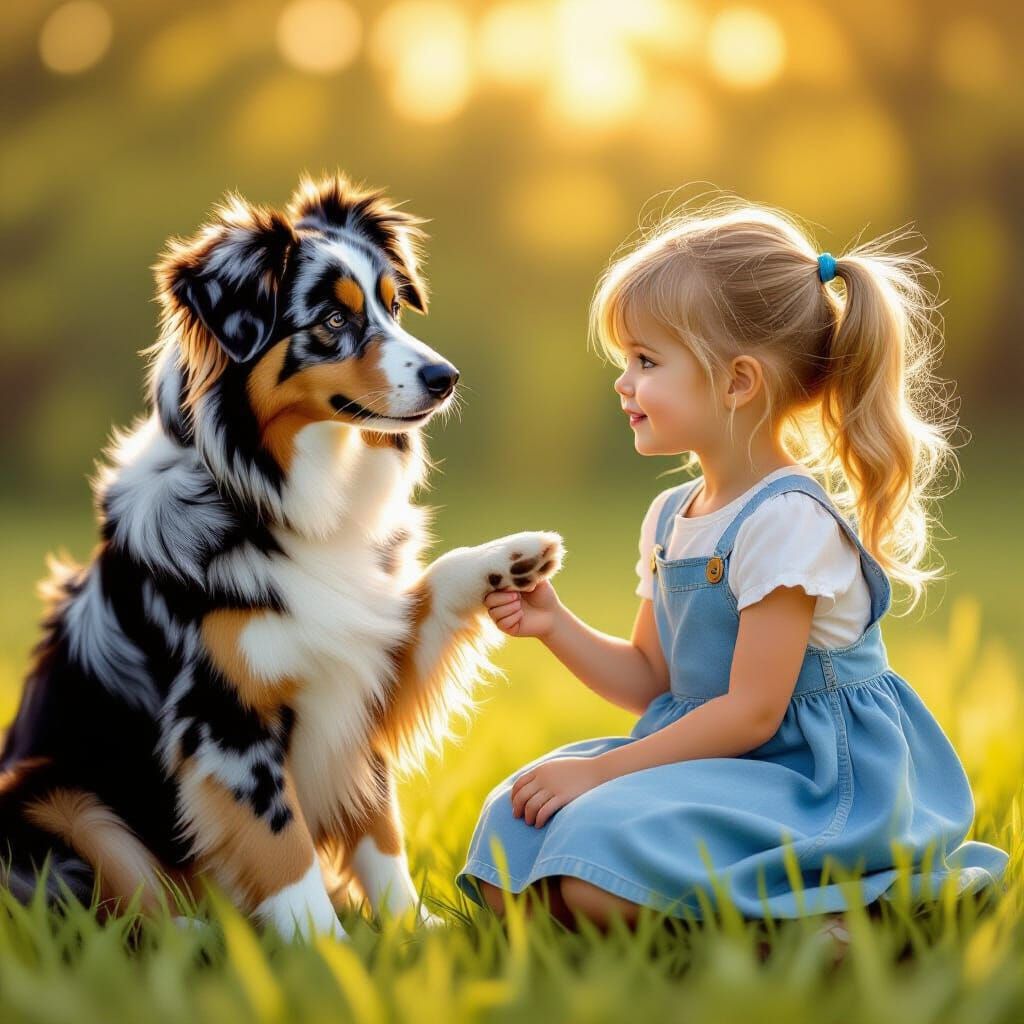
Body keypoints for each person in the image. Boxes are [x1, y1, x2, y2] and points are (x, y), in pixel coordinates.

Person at [454, 196, 1009, 935]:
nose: (623, 381)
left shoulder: (786, 521)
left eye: (646, 361)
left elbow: (754, 712)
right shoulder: (670, 516)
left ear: (737, 382)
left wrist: (601, 773)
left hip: (810, 781)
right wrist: (555, 625)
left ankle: (823, 930)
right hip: (715, 764)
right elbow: (652, 681)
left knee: (590, 865)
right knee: (512, 833)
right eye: (625, 361)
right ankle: (691, 913)